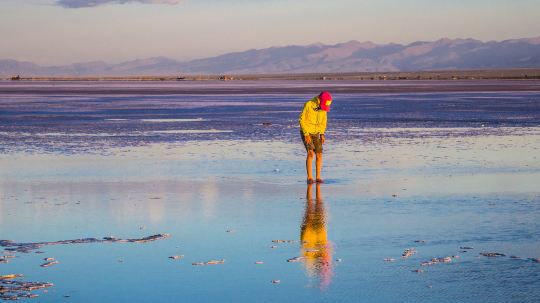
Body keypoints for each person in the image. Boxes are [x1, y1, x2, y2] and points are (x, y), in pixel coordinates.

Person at [299, 91, 332, 184]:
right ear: (319, 100)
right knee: (310, 153)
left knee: (319, 153)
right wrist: (306, 134)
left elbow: (323, 121)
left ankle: (318, 177)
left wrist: (322, 134)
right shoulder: (309, 104)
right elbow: (301, 120)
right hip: (307, 132)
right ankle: (309, 177)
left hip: (317, 132)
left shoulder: (324, 108)